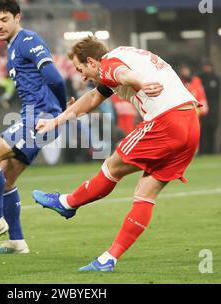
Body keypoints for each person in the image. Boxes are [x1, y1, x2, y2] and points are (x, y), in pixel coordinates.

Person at [32, 38, 200, 272]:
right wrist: (56, 122)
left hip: (166, 122)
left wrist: (141, 82)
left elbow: (122, 74)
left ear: (92, 62)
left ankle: (67, 203)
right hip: (191, 125)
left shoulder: (109, 64)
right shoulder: (122, 57)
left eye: (81, 69)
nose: (82, 77)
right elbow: (92, 98)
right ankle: (108, 259)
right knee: (145, 194)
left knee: (112, 166)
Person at [0, 0, 67, 254]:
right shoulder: (11, 47)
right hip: (33, 117)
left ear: (17, 17)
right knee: (6, 176)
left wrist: (63, 110)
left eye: (4, 19)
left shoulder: (28, 41)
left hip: (40, 118)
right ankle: (16, 241)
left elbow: (54, 77)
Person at [198, 59, 221, 154]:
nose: (206, 68)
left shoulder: (215, 78)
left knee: (212, 130)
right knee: (202, 132)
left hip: (213, 108)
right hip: (202, 108)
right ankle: (203, 151)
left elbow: (216, 92)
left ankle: (212, 151)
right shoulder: (199, 78)